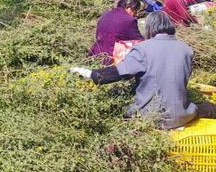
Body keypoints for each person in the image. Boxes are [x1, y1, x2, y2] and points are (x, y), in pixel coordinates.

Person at [71, 12, 216, 129]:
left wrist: (90, 73)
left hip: (151, 117)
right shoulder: (187, 50)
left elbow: (119, 73)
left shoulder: (143, 49)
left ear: (150, 28)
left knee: (115, 102)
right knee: (208, 107)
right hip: (182, 115)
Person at [89, 0, 143, 64]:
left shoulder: (106, 14)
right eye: (135, 11)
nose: (136, 15)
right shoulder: (129, 20)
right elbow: (139, 41)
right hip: (111, 58)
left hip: (95, 54)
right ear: (128, 7)